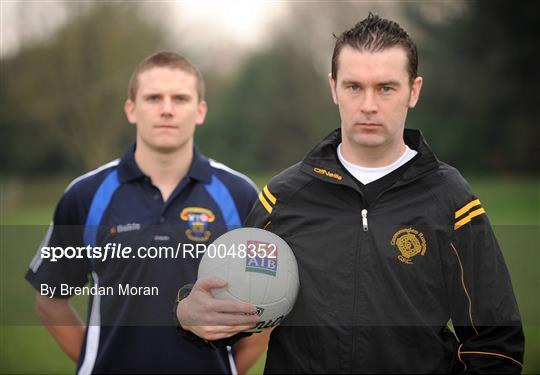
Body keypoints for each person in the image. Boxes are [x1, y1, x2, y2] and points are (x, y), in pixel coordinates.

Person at [177, 14, 525, 373]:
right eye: (354, 87)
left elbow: (496, 343)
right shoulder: (284, 196)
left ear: (414, 91)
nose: (369, 105)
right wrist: (191, 312)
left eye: (386, 88)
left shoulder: (451, 199)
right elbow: (230, 307)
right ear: (333, 88)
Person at [25, 51, 268, 374]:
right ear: (131, 109)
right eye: (153, 98)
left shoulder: (239, 194)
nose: (166, 109)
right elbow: (50, 301)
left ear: (200, 110)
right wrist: (94, 363)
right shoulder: (86, 194)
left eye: (180, 98)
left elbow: (266, 308)